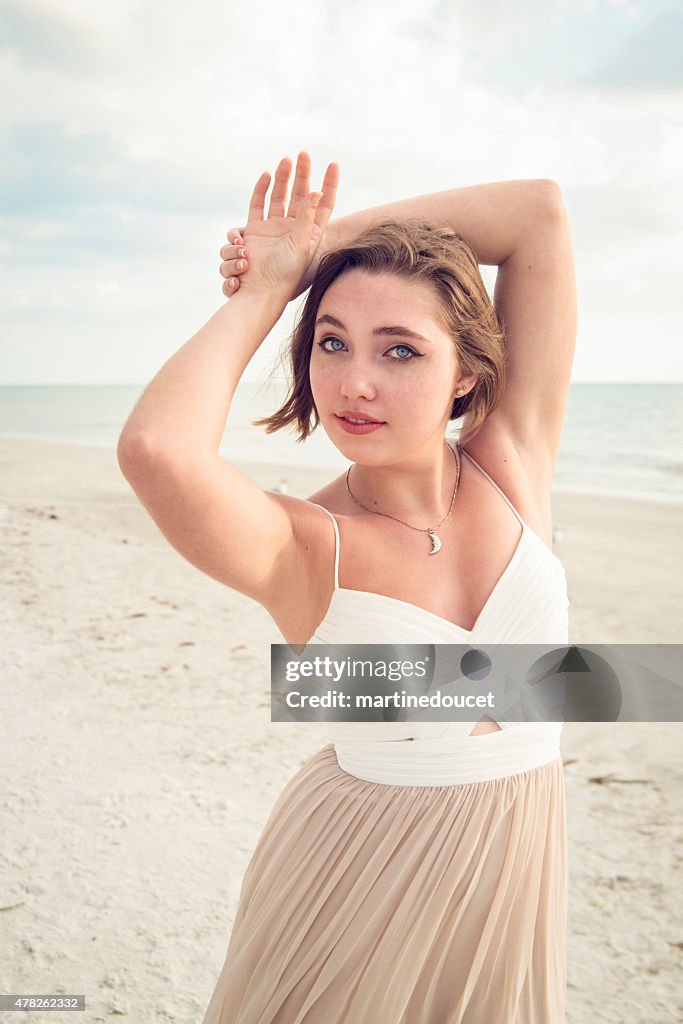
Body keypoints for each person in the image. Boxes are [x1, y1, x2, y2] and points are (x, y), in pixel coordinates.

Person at [117, 151, 577, 1023]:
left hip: (513, 869)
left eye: (398, 349)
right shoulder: (302, 545)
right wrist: (268, 290)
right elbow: (157, 452)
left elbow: (537, 213)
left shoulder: (512, 460)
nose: (353, 383)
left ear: (467, 373)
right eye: (331, 342)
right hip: (356, 873)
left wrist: (325, 241)